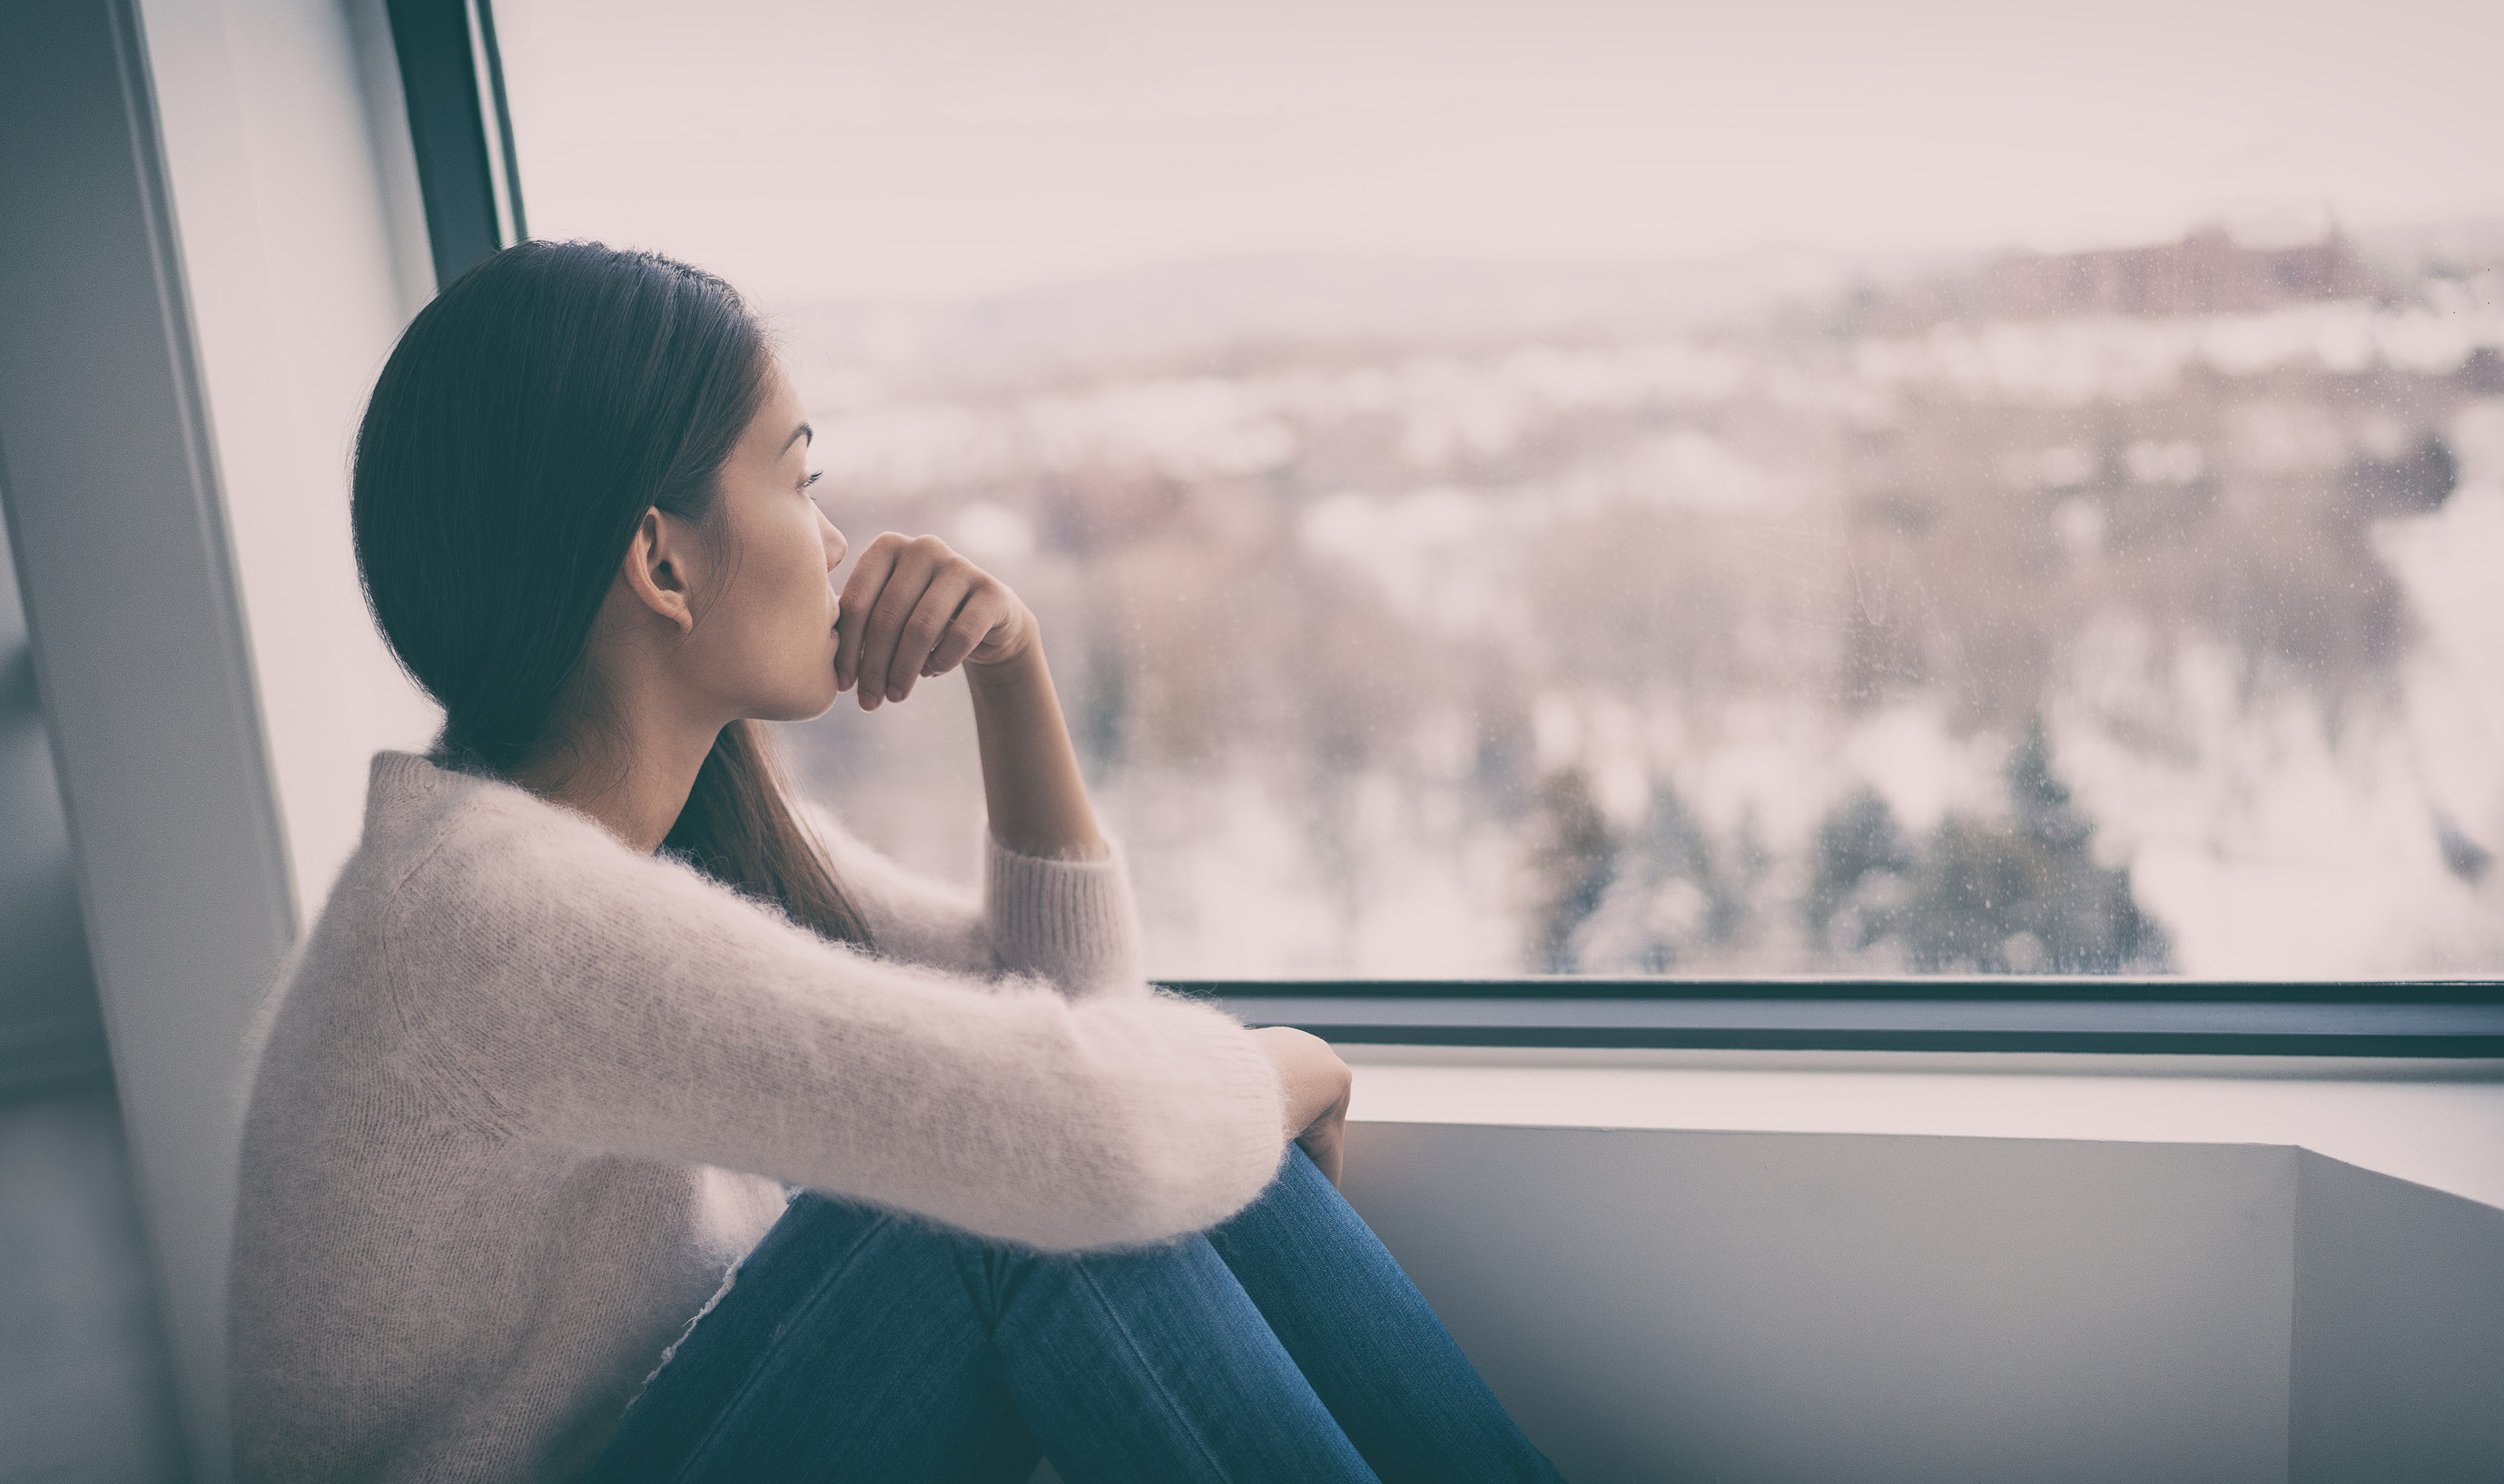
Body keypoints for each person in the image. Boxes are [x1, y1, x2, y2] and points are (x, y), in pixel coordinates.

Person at [227, 239, 1563, 1483]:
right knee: (1010, 1191)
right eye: (799, 481)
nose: (831, 541)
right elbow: (1082, 1137)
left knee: (1119, 1151)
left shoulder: (653, 839)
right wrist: (1288, 1066)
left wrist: (1011, 671)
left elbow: (1065, 1023)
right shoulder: (496, 919)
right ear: (660, 562)